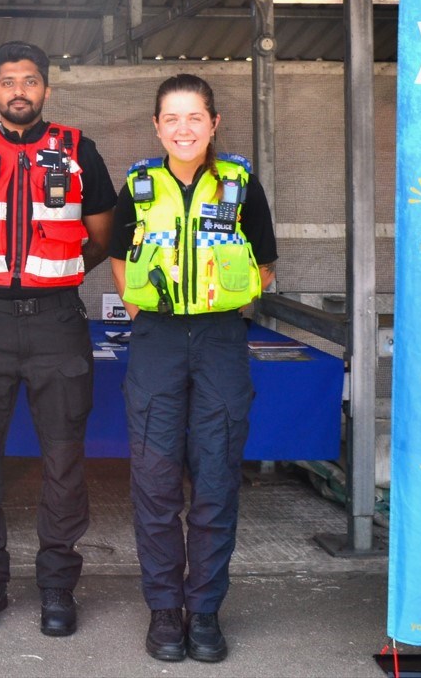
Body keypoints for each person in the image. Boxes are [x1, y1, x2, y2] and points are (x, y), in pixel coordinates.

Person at [0, 41, 115, 637]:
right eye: (7, 81)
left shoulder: (79, 148)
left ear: (46, 91)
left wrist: (53, 273)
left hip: (56, 321)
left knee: (63, 460)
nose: (18, 90)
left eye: (30, 80)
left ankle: (57, 585)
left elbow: (102, 235)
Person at [108, 73, 277, 664]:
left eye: (194, 117)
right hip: (155, 340)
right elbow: (116, 255)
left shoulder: (240, 184)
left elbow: (266, 263)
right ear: (156, 126)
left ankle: (204, 611)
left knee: (215, 478)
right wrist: (139, 308)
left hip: (220, 340)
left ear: (213, 123)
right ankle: (163, 611)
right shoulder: (138, 185)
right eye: (171, 119)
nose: (183, 129)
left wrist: (218, 301)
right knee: (154, 483)